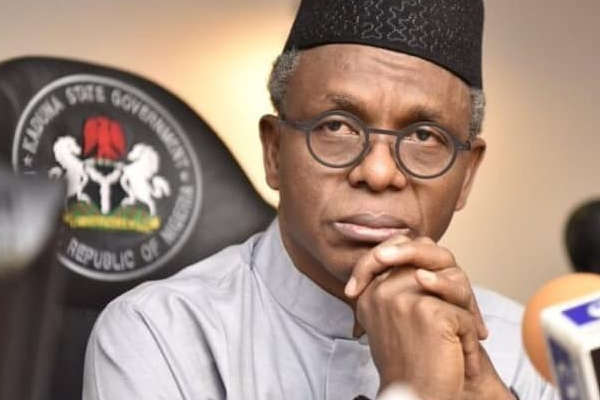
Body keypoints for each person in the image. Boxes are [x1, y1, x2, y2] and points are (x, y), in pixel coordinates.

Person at [83, 1, 558, 399]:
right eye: (337, 126)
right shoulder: (157, 334)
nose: (378, 172)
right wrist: (414, 391)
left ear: (467, 175)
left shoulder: (528, 351)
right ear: (274, 151)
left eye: (423, 136)